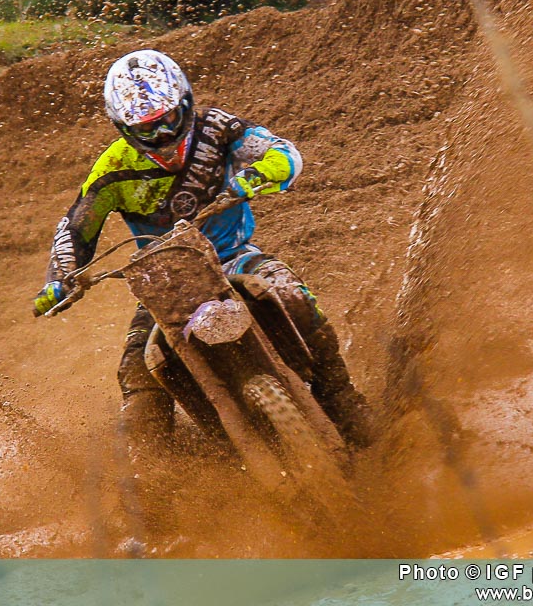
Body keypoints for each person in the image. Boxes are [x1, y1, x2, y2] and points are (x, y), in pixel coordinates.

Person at [33, 49, 374, 455]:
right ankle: (158, 473)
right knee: (138, 375)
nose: (162, 136)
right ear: (123, 128)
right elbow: (75, 227)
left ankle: (340, 396)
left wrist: (261, 172)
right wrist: (61, 278)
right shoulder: (112, 170)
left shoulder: (218, 128)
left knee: (293, 296)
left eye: (168, 120)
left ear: (186, 103)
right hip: (163, 283)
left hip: (235, 257)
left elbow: (283, 151)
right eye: (146, 130)